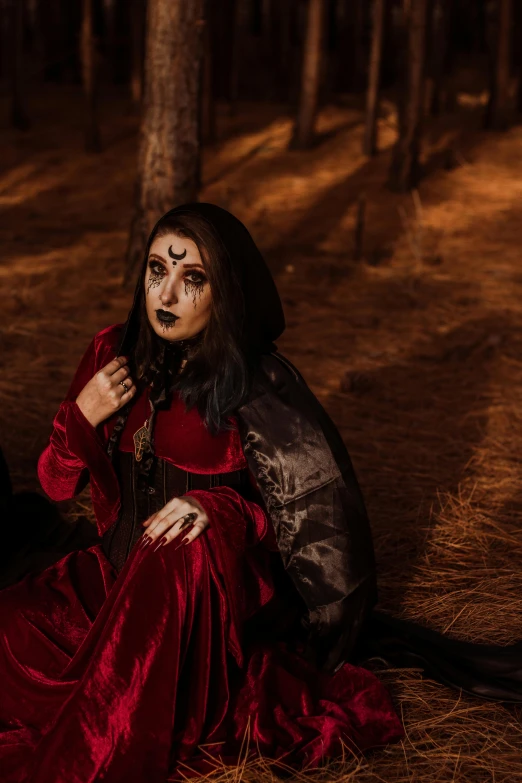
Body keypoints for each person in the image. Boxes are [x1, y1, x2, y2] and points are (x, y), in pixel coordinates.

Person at [0, 204, 405, 783]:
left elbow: (311, 522)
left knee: (175, 554)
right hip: (110, 575)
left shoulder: (258, 382)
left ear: (225, 291)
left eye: (193, 279)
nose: (167, 293)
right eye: (156, 269)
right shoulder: (112, 354)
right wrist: (80, 417)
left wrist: (221, 509)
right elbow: (53, 484)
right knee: (8, 627)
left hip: (202, 595)